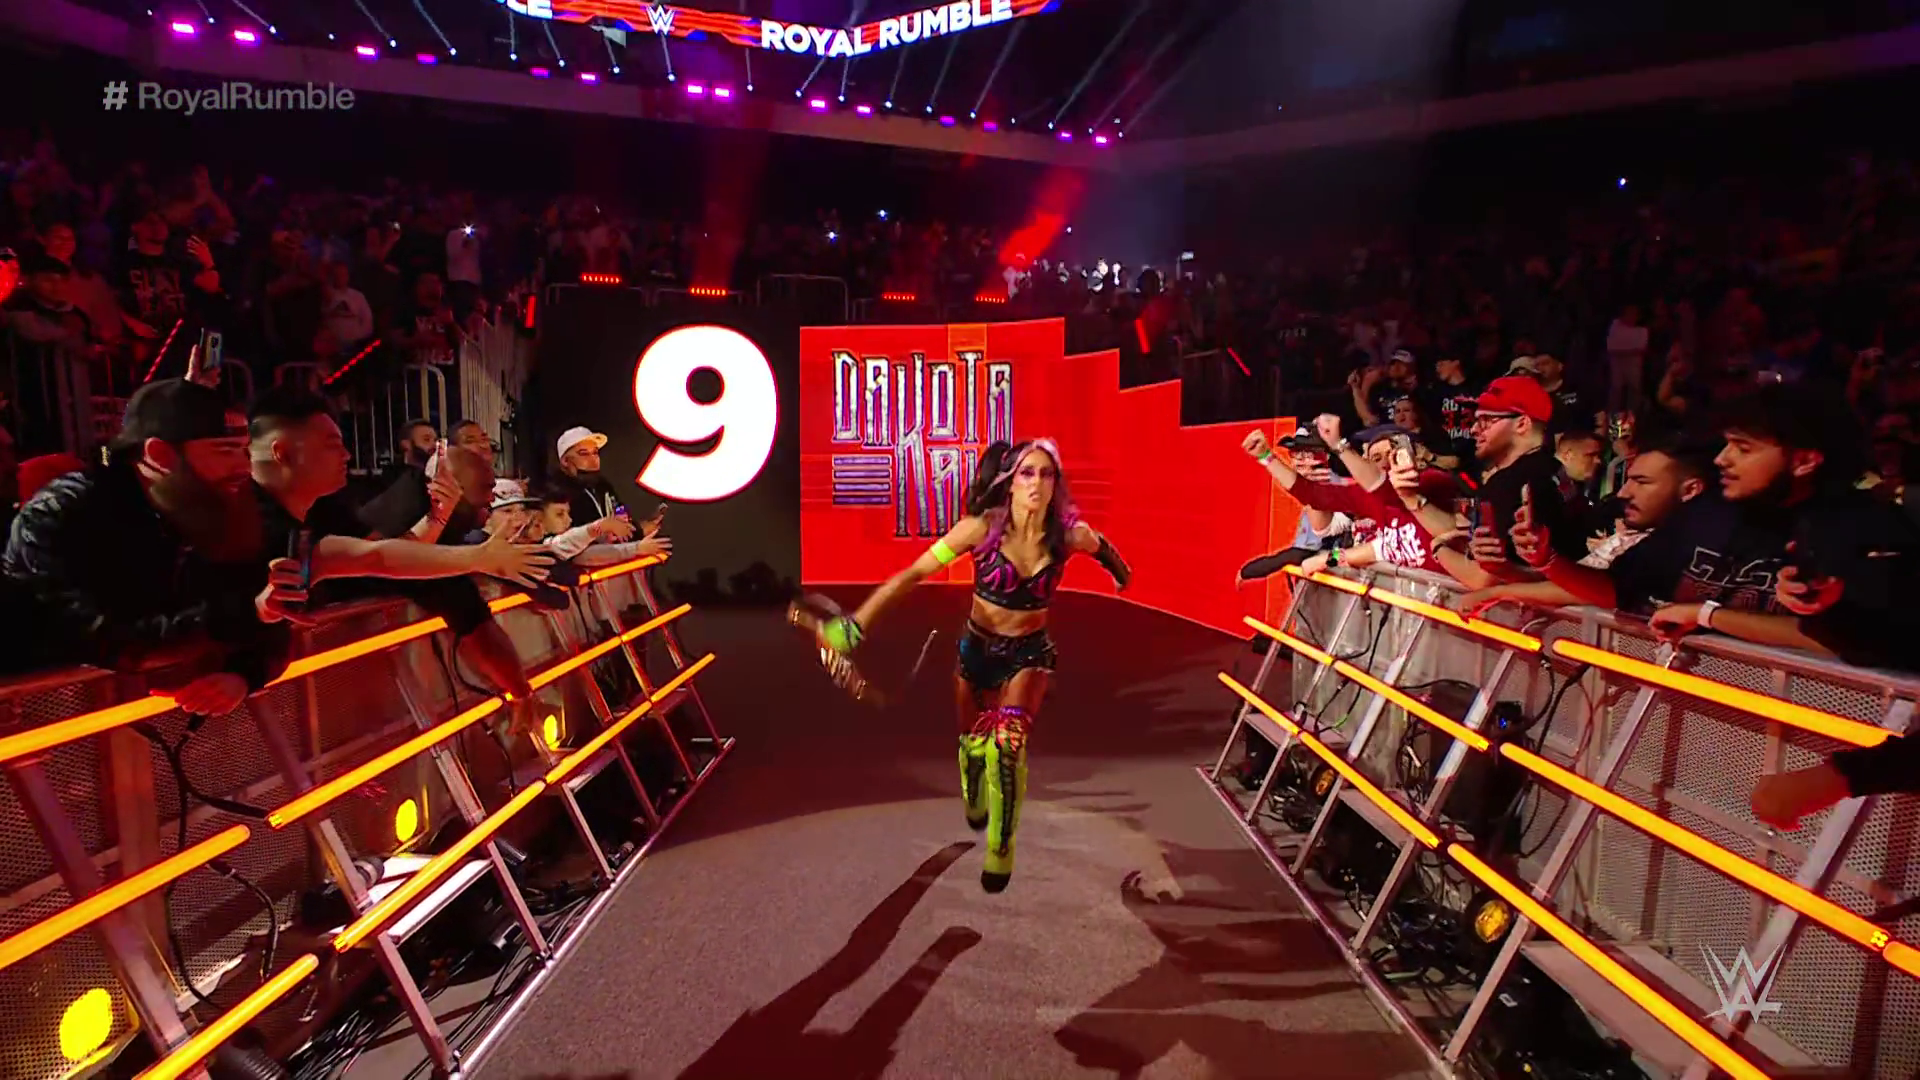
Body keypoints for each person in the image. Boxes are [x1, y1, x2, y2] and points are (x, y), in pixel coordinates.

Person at [812, 439, 1132, 893]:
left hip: (1030, 655)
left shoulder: (1068, 537)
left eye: (1046, 474)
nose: (1036, 483)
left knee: (1008, 746)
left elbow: (1104, 550)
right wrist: (856, 625)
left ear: (1056, 484)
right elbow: (913, 574)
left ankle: (1001, 847)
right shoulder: (977, 530)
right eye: (1027, 473)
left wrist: (1122, 575)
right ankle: (972, 777)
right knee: (975, 743)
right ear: (1009, 482)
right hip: (978, 652)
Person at [2, 379, 285, 709]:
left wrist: (244, 674)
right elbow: (90, 637)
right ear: (159, 454)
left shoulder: (214, 503)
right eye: (225, 451)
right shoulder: (64, 511)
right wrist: (244, 615)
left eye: (245, 450)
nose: (244, 467)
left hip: (156, 715)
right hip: (46, 716)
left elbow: (267, 612)